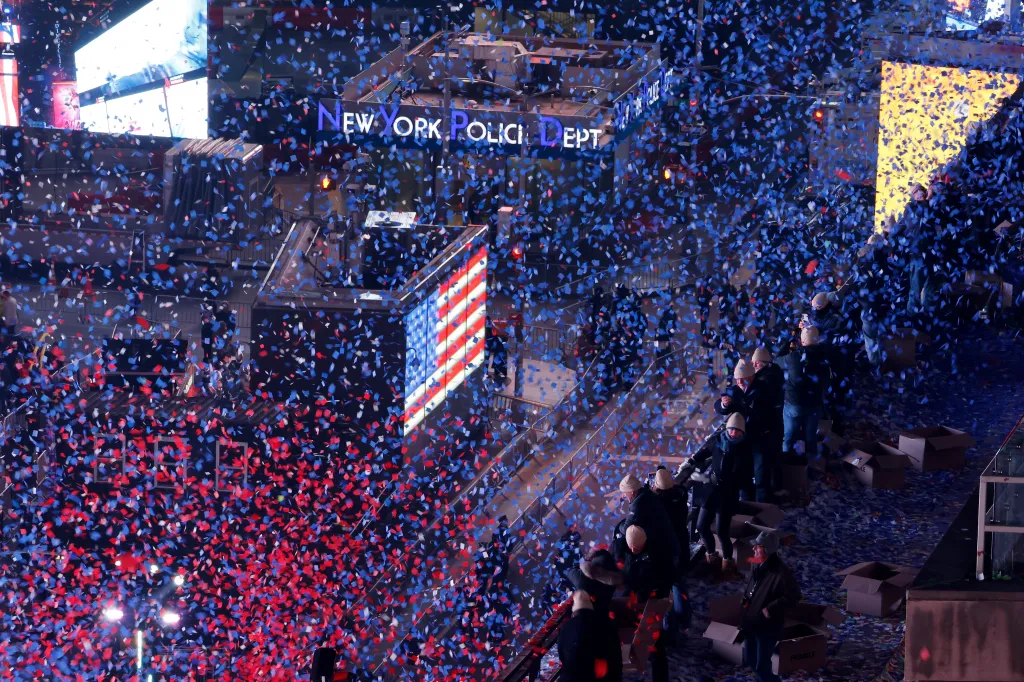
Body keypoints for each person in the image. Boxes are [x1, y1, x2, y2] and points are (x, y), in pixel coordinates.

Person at [689, 412, 751, 576]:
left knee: (723, 532)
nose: (733, 433)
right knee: (701, 526)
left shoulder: (744, 450)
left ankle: (727, 565)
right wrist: (692, 460)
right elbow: (706, 451)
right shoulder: (718, 440)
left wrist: (731, 482)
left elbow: (745, 477)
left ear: (742, 432)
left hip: (727, 495)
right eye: (731, 429)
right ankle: (712, 557)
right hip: (711, 490)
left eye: (737, 431)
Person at [741, 532, 802, 682]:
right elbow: (753, 588)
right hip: (752, 623)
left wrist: (771, 609)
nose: (754, 548)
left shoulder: (781, 573)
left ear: (767, 549)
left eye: (758, 546)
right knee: (750, 658)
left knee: (762, 665)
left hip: (767, 626)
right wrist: (745, 601)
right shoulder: (757, 564)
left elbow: (793, 596)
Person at [776, 326, 830, 462]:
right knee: (810, 437)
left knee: (789, 437)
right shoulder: (824, 357)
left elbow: (777, 361)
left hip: (794, 404)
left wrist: (789, 341)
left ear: (802, 341)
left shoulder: (794, 357)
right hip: (814, 404)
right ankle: (812, 466)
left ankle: (787, 464)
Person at [615, 474, 680, 583]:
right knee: (673, 578)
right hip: (669, 543)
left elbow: (626, 529)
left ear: (632, 492)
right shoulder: (647, 493)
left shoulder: (637, 504)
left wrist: (620, 525)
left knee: (671, 580)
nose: (624, 495)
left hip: (662, 548)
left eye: (625, 493)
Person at [653, 468, 691, 634]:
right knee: (679, 584)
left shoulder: (659, 504)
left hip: (667, 549)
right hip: (682, 543)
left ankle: (671, 630)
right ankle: (685, 619)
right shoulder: (680, 496)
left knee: (666, 590)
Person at [557, 590, 623, 682]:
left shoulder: (565, 627)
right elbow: (616, 654)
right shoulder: (607, 623)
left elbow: (562, 657)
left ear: (574, 610)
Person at [750, 347, 785, 501]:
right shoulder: (776, 372)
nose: (753, 366)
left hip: (765, 428)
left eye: (755, 363)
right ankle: (776, 488)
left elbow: (759, 402)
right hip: (776, 424)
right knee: (774, 459)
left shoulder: (763, 381)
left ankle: (763, 502)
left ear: (761, 363)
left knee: (762, 466)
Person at [567, 548, 624, 617]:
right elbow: (602, 552)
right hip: (608, 600)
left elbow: (570, 572)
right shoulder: (607, 560)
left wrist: (582, 564)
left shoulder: (582, 580)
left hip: (599, 612)